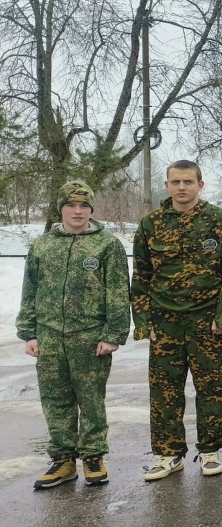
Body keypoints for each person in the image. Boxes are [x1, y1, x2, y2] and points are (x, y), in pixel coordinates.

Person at [132, 160, 222, 480]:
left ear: (200, 185)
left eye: (188, 182)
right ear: (166, 186)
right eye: (175, 182)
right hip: (164, 321)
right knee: (165, 389)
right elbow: (141, 275)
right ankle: (168, 453)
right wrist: (143, 321)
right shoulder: (150, 224)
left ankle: (210, 450)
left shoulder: (218, 220)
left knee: (212, 388)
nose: (182, 187)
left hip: (206, 321)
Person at [18, 181, 129, 489]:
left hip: (90, 337)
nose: (77, 212)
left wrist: (113, 334)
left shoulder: (107, 245)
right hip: (50, 336)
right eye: (71, 205)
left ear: (91, 209)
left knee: (91, 398)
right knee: (56, 399)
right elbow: (30, 290)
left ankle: (93, 456)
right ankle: (63, 460)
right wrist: (29, 331)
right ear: (61, 208)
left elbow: (118, 293)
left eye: (83, 206)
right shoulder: (42, 245)